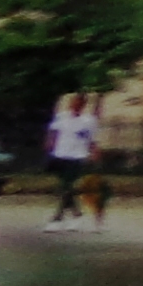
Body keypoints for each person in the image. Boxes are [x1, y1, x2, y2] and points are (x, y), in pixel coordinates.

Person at [44, 93, 102, 227]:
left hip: (77, 155)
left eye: (78, 103)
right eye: (73, 102)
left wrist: (94, 152)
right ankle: (77, 214)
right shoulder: (61, 117)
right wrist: (49, 143)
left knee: (67, 186)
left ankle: (57, 217)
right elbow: (53, 132)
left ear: (83, 105)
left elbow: (91, 139)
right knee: (65, 186)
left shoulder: (88, 121)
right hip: (60, 153)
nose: (75, 105)